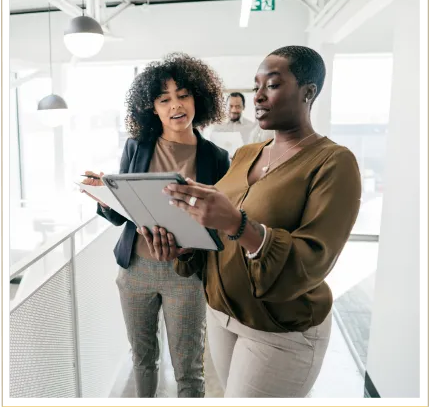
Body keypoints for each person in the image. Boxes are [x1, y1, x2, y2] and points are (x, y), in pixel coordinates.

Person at [145, 46, 362, 400]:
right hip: (223, 316)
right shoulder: (247, 154)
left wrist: (237, 223)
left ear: (309, 92)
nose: (257, 96)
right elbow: (216, 234)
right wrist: (186, 244)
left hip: (279, 331)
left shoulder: (333, 163)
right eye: (256, 85)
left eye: (272, 85)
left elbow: (312, 261)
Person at [82, 53, 229, 401]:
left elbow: (223, 225)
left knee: (189, 370)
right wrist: (106, 198)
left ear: (199, 99)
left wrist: (196, 244)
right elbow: (122, 216)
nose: (176, 105)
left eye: (183, 95)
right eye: (164, 99)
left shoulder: (217, 158)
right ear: (153, 109)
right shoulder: (136, 147)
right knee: (143, 359)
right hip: (135, 271)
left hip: (186, 275)